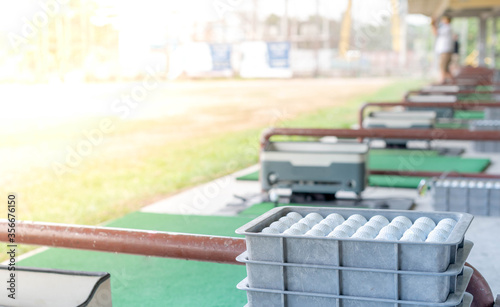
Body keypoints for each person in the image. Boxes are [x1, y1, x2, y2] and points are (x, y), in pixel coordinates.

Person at [431, 15, 455, 84]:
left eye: (443, 19)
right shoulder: (447, 28)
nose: (442, 20)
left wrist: (433, 24)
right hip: (445, 51)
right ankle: (450, 81)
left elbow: (435, 33)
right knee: (445, 69)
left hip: (445, 51)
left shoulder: (447, 28)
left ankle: (442, 81)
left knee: (442, 67)